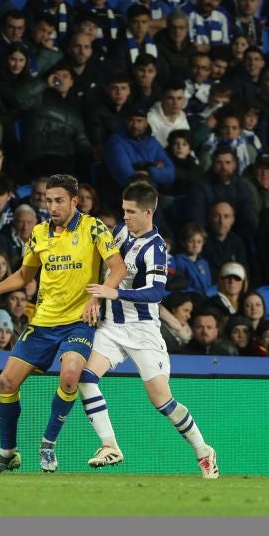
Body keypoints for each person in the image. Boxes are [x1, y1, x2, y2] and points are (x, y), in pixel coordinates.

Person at [0, 174, 126, 474]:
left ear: (74, 201)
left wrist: (97, 298)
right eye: (48, 201)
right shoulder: (38, 233)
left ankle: (48, 445)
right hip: (43, 322)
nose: (53, 207)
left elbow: (117, 268)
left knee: (70, 377)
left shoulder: (93, 228)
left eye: (59, 200)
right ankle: (8, 454)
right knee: (6, 381)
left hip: (79, 322)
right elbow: (24, 275)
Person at [74, 182, 219, 476]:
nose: (124, 217)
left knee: (162, 401)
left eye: (130, 212)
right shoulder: (120, 232)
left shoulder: (156, 248)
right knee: (85, 377)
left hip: (142, 331)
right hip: (111, 326)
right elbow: (107, 271)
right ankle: (109, 446)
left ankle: (203, 451)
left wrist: (116, 294)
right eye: (123, 210)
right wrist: (95, 300)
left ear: (148, 212)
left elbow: (155, 293)